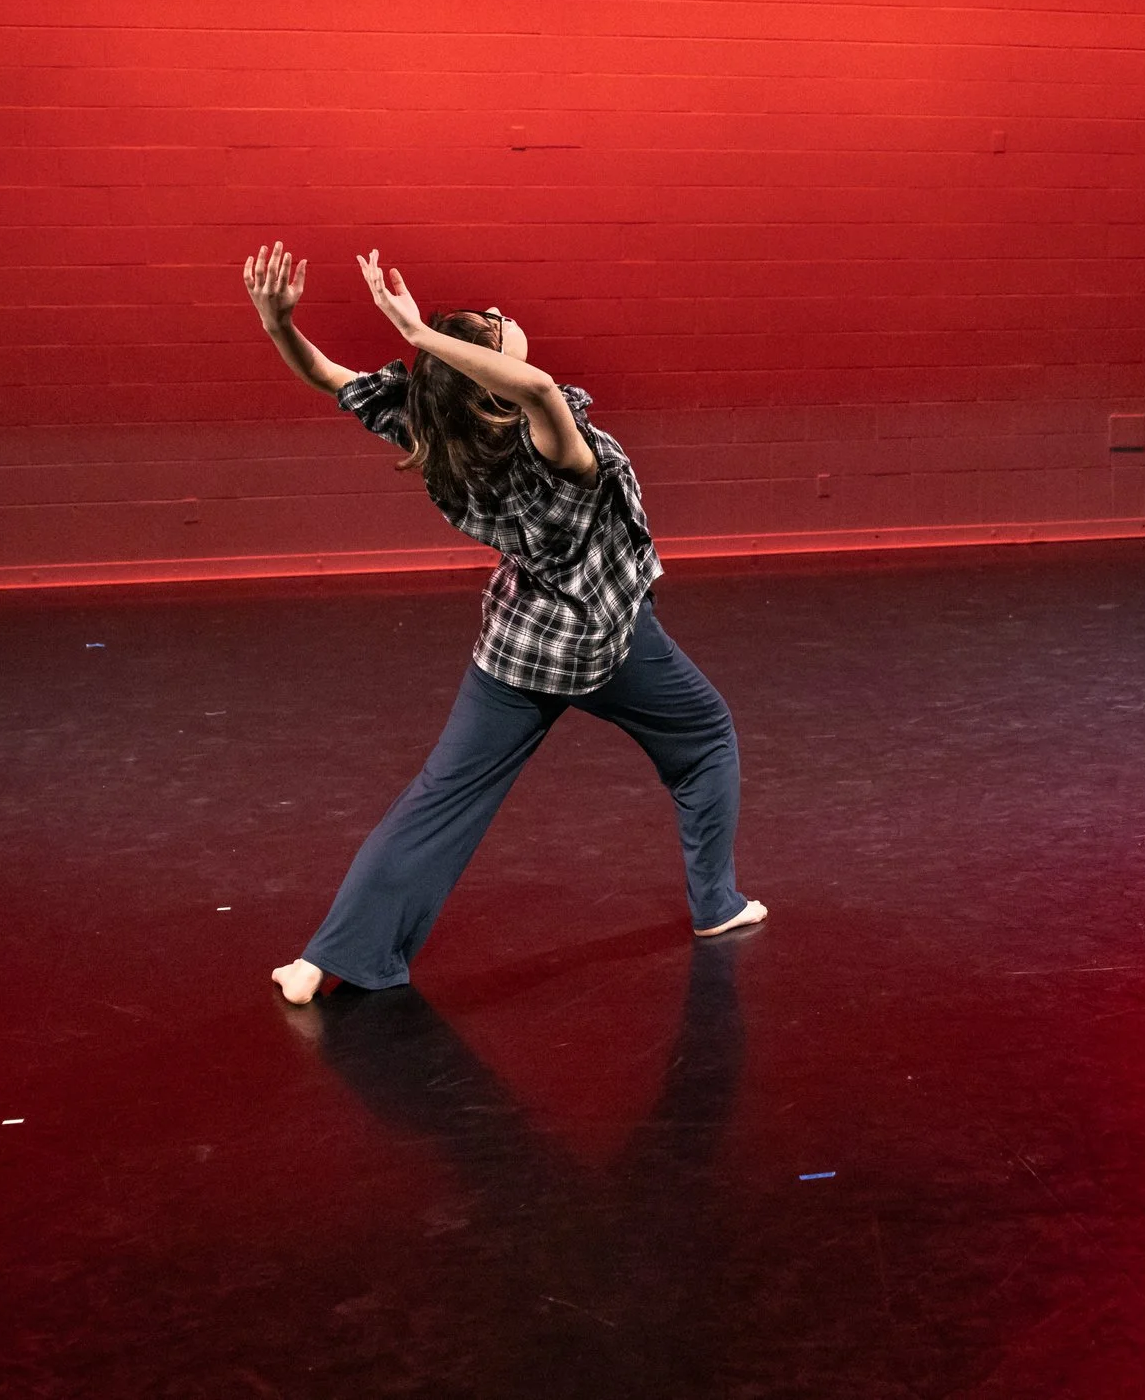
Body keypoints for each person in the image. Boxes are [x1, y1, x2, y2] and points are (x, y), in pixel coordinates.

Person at [240, 241, 765, 1007]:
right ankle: (716, 903)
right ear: (489, 386)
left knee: (439, 798)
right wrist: (417, 335)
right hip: (603, 643)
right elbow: (540, 388)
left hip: (515, 646)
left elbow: (328, 376)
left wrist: (278, 326)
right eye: (492, 327)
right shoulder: (550, 444)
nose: (500, 315)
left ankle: (325, 959)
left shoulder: (436, 433)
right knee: (707, 738)